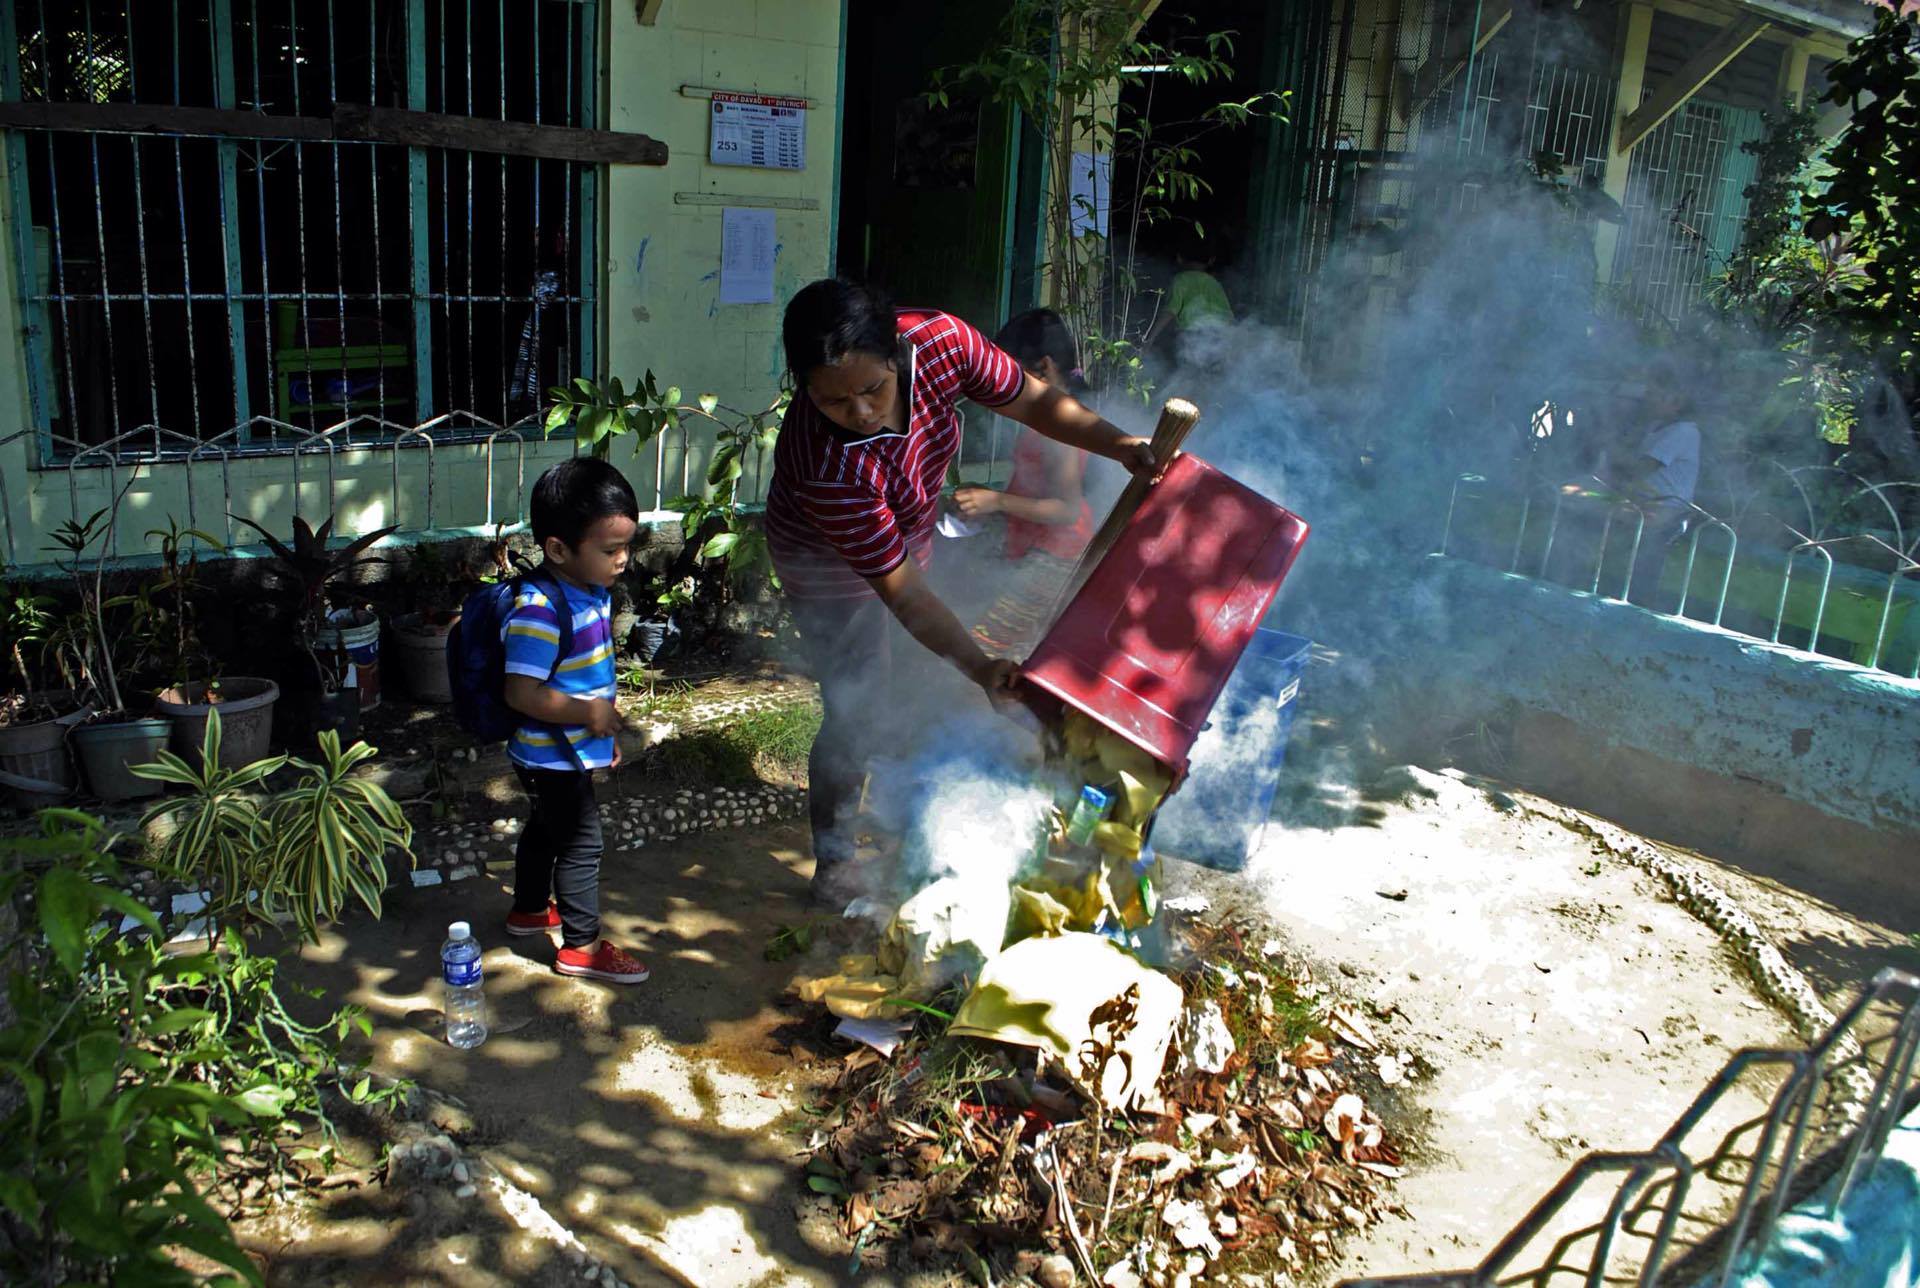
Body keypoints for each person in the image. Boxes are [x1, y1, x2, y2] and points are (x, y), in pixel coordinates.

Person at [763, 279, 1158, 904]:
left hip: (910, 530)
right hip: (829, 569)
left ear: (898, 356)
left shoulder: (942, 341)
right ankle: (834, 862)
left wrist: (1119, 446)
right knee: (855, 707)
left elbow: (1034, 402)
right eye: (835, 402)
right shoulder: (827, 468)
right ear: (805, 389)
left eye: (873, 389)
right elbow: (906, 597)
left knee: (923, 684)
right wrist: (978, 665)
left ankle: (915, 830)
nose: (861, 413)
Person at [499, 457, 648, 984]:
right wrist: (589, 714)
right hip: (548, 752)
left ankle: (530, 911)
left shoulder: (589, 592)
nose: (623, 560)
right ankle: (581, 947)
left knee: (545, 826)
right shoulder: (539, 610)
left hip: (565, 750)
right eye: (610, 550)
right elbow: (521, 692)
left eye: (628, 546)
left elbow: (584, 677)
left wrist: (597, 730)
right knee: (583, 843)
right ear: (558, 549)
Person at [952, 308, 1096, 656]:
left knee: (988, 653)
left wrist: (997, 502)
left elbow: (1066, 509)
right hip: (1039, 552)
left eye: (1013, 374)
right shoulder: (1048, 414)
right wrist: (992, 500)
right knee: (1016, 654)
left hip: (1053, 558)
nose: (1004, 386)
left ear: (1044, 368)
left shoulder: (1060, 424)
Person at [1146, 232, 1235, 369]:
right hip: (1220, 337)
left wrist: (1150, 338)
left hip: (1193, 336)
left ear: (1179, 259)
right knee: (1210, 378)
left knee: (1188, 377)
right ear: (1211, 260)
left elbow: (1170, 311)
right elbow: (1228, 317)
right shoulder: (1214, 283)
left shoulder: (1181, 280)